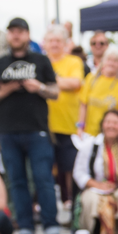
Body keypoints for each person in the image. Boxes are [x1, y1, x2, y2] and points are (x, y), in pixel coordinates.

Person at [0, 17, 61, 234]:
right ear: (8, 35)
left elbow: (55, 92)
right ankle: (25, 227)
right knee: (16, 180)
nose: (16, 35)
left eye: (20, 31)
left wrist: (39, 87)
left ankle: (51, 227)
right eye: (12, 32)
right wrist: (4, 92)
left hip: (37, 130)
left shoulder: (41, 61)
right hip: (8, 132)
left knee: (43, 178)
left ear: (27, 35)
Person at [44, 28, 86, 210]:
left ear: (65, 43)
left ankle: (71, 203)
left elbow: (76, 83)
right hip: (44, 125)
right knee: (45, 168)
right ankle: (46, 205)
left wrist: (46, 83)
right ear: (45, 43)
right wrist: (61, 82)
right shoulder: (42, 61)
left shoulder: (74, 61)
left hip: (69, 125)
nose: (54, 44)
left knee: (69, 167)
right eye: (51, 40)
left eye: (58, 41)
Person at [80, 46, 118, 139]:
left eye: (115, 61)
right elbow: (83, 105)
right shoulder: (91, 79)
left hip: (111, 137)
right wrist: (80, 127)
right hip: (89, 135)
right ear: (103, 61)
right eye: (109, 59)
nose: (111, 63)